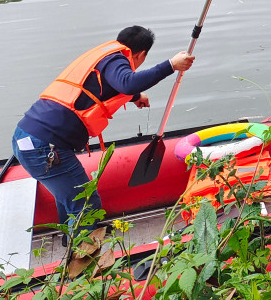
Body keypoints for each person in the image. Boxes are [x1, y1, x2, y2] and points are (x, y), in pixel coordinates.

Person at [11, 26, 195, 229]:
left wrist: (135, 97)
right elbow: (127, 83)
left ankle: (69, 243)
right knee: (88, 206)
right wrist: (170, 65)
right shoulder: (117, 60)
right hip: (46, 147)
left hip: (27, 136)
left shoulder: (106, 56)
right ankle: (81, 257)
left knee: (71, 200)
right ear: (141, 54)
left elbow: (98, 88)